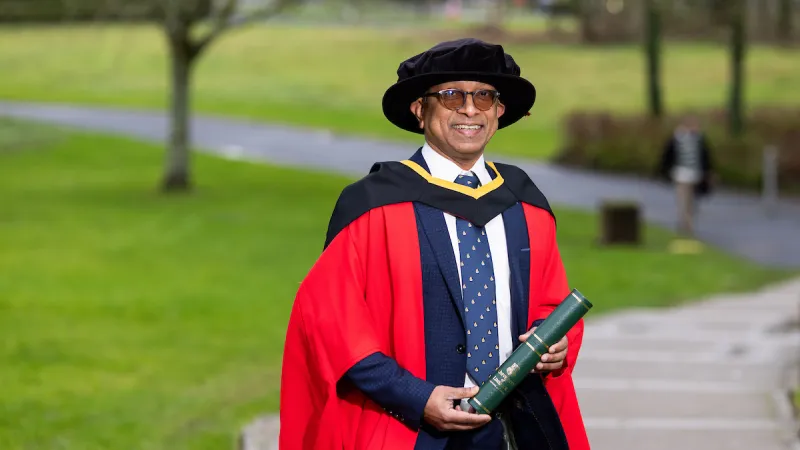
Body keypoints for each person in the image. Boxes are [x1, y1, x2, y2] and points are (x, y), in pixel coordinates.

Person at [279, 38, 589, 450]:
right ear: (419, 110)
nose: (470, 109)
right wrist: (415, 397)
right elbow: (333, 324)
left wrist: (555, 346)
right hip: (406, 428)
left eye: (484, 96)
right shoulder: (373, 205)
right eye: (452, 95)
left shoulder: (525, 204)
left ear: (499, 111)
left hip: (514, 429)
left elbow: (550, 303)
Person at [658, 115, 715, 238]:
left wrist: (708, 172)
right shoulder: (676, 140)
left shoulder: (699, 140)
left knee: (692, 201)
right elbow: (667, 156)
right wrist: (666, 171)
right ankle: (686, 225)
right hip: (681, 175)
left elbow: (705, 157)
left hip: (696, 175)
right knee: (683, 200)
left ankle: (686, 223)